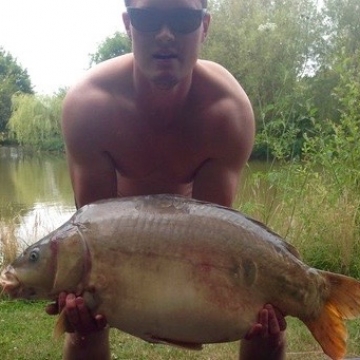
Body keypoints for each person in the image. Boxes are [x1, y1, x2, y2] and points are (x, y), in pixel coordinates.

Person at [47, 0, 286, 359]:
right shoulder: (89, 107)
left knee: (263, 321)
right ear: (128, 24)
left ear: (204, 26)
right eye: (148, 18)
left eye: (182, 18)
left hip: (194, 232)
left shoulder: (227, 112)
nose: (165, 34)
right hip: (113, 232)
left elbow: (213, 241)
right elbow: (92, 226)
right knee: (86, 307)